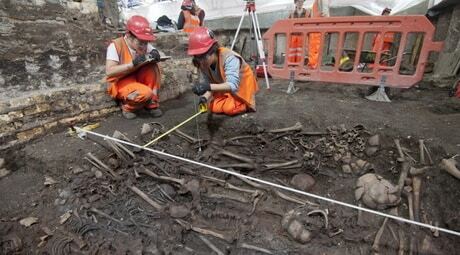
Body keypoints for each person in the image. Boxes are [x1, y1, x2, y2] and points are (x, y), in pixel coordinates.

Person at [188, 27, 259, 116]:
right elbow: (211, 86)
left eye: (203, 57)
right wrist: (204, 98)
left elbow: (232, 85)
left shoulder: (229, 58)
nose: (201, 62)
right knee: (212, 106)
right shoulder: (204, 64)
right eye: (197, 58)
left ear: (213, 51)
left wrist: (207, 86)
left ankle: (244, 104)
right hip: (226, 89)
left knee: (229, 108)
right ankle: (229, 100)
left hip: (242, 89)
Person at [105, 15, 162, 119]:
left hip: (136, 76)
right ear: (129, 36)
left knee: (153, 67)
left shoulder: (142, 42)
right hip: (121, 80)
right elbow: (109, 72)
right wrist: (131, 65)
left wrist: (155, 53)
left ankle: (151, 103)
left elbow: (154, 51)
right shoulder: (116, 46)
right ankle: (127, 107)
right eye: (141, 43)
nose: (144, 46)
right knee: (145, 93)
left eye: (146, 43)